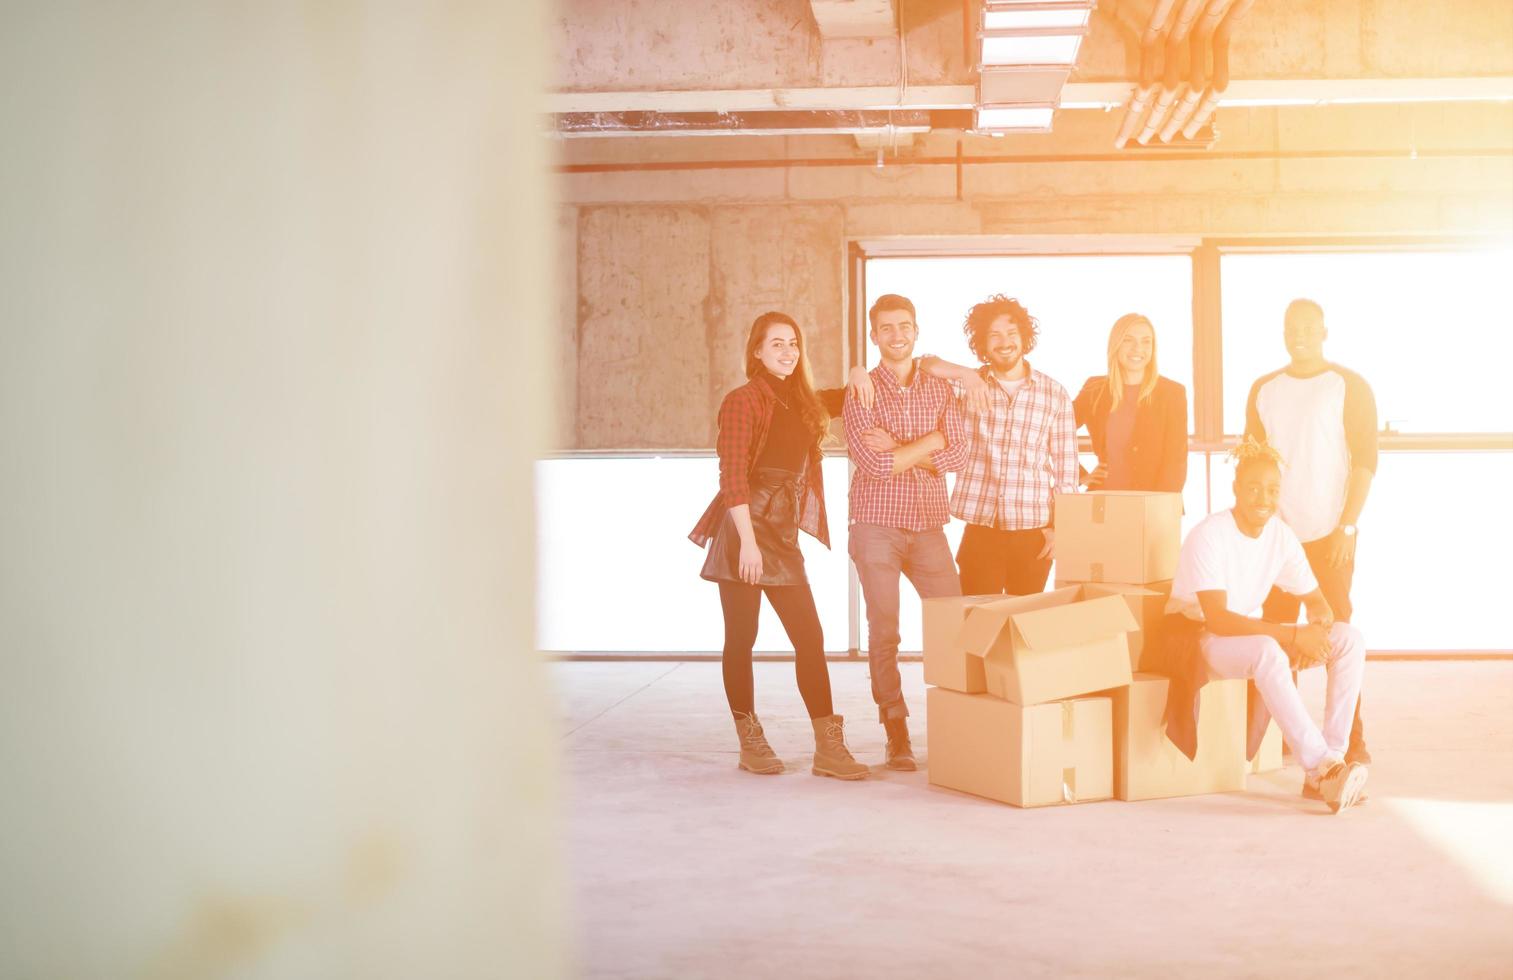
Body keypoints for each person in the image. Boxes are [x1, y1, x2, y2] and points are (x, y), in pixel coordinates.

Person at [689, 312, 868, 780]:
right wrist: (747, 543)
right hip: (745, 529)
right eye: (776, 344)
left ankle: (828, 749)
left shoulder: (805, 402)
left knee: (809, 638)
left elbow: (853, 395)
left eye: (793, 343)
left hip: (782, 532)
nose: (787, 351)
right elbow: (731, 477)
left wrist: (857, 371)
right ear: (756, 351)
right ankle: (750, 741)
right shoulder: (742, 400)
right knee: (741, 640)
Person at [1166, 440, 1368, 813]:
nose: (1264, 497)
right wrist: (1294, 636)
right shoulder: (1209, 535)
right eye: (1254, 488)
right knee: (1267, 650)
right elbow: (1219, 619)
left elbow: (1317, 601)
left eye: (1273, 490)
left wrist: (1319, 631)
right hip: (1200, 640)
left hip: (1246, 637)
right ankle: (1321, 768)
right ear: (1237, 490)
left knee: (1349, 639)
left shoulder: (1280, 535)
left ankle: (1331, 763)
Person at [1245, 298, 1378, 764]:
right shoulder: (1264, 389)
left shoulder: (1349, 385)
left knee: (1337, 637)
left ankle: (1351, 742)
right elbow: (1251, 465)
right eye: (1290, 327)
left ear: (1324, 331)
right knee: (1275, 639)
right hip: (1277, 537)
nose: (1298, 333)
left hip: (1330, 535)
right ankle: (1275, 739)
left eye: (1307, 326)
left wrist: (1348, 526)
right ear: (1283, 332)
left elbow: (1365, 462)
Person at [843, 293, 968, 771]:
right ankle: (895, 729)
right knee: (885, 631)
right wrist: (932, 441)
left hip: (930, 525)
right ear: (874, 336)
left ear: (917, 330)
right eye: (887, 328)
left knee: (953, 622)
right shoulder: (861, 390)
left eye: (905, 326)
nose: (897, 335)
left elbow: (958, 456)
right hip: (876, 524)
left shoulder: (940, 389)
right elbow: (874, 466)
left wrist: (903, 446)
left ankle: (958, 720)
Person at [916, 295, 1078, 597]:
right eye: (995, 335)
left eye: (1011, 333)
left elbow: (1067, 470)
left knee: (1023, 629)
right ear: (982, 343)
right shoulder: (968, 384)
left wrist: (1061, 528)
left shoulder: (1054, 394)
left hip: (1035, 531)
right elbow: (921, 365)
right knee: (977, 625)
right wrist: (965, 374)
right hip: (981, 531)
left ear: (1024, 338)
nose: (1004, 342)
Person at [1072, 313, 1188, 493]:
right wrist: (1078, 474)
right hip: (1104, 501)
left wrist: (1162, 508)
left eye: (1146, 341)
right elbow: (1051, 433)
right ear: (1116, 344)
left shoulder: (1172, 393)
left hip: (1153, 504)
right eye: (1128, 340)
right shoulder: (1094, 390)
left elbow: (1176, 461)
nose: (1137, 348)